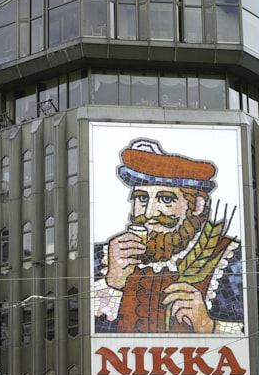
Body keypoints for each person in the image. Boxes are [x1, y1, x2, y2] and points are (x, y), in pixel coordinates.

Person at [94, 138, 244, 334]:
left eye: (166, 199)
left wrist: (210, 325)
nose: (149, 213)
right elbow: (78, 332)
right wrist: (111, 283)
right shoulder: (103, 258)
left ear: (197, 205)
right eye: (142, 198)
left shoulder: (231, 261)